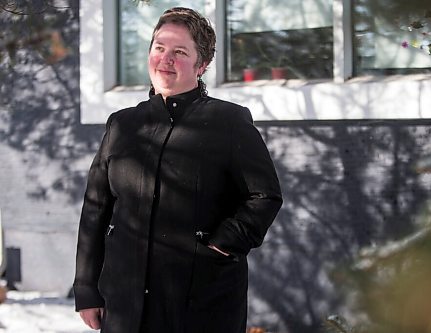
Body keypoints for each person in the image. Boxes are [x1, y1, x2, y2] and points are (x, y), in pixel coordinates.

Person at [73, 7, 282, 333]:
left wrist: (221, 244)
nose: (165, 59)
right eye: (159, 48)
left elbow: (265, 195)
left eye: (179, 52)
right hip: (125, 302)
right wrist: (87, 288)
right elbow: (96, 209)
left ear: (202, 65)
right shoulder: (122, 125)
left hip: (201, 301)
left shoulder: (228, 122)